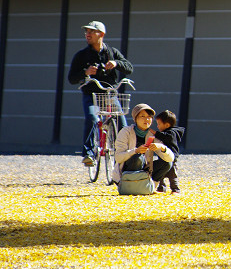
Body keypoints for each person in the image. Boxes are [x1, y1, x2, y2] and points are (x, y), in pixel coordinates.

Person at [67, 20, 133, 167]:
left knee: (122, 124)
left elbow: (129, 68)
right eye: (86, 32)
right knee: (92, 118)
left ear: (101, 34)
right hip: (91, 95)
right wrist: (85, 72)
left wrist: (116, 63)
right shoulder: (81, 56)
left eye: (91, 31)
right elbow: (71, 78)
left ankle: (127, 157)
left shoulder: (112, 52)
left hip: (110, 95)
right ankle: (89, 154)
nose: (87, 34)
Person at [112, 103, 174, 186]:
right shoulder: (126, 131)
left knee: (167, 163)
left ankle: (151, 186)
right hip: (126, 173)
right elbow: (118, 157)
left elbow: (171, 158)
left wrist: (162, 148)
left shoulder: (152, 135)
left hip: (145, 171)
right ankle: (132, 185)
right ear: (135, 119)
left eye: (149, 117)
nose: (147, 119)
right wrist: (135, 151)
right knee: (137, 158)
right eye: (143, 116)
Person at [153, 109, 185, 194]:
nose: (157, 126)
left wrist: (154, 133)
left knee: (172, 175)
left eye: (159, 124)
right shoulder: (167, 132)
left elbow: (166, 137)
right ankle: (161, 188)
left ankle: (175, 189)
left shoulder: (171, 133)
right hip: (163, 158)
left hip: (171, 159)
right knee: (161, 175)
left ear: (167, 125)